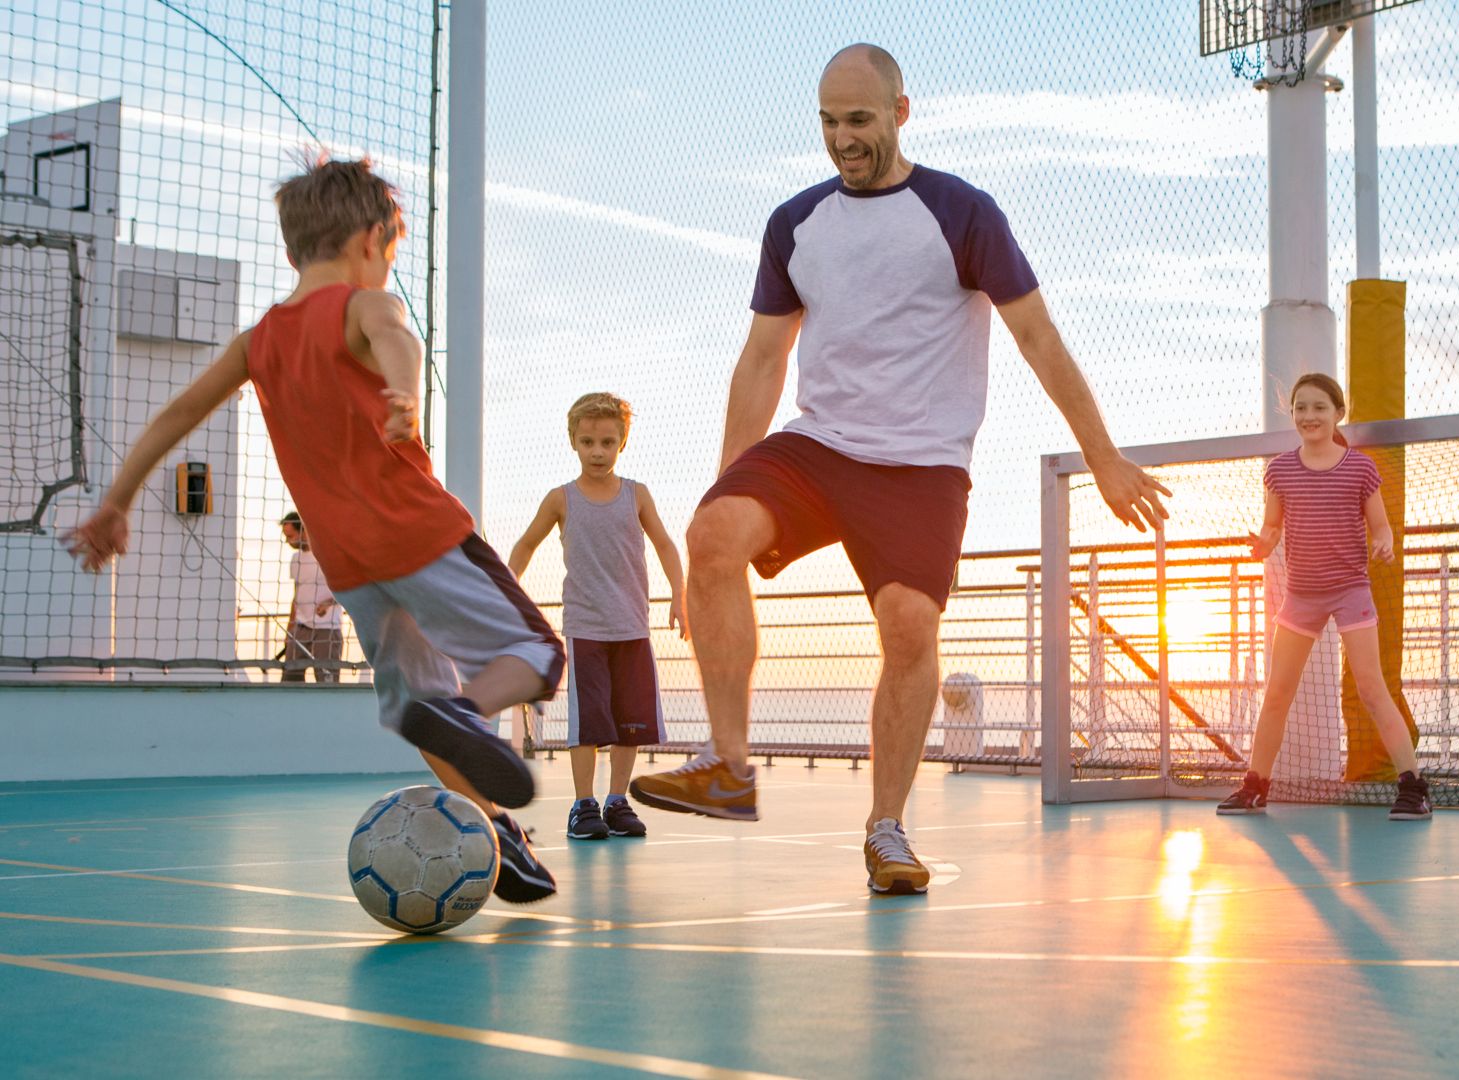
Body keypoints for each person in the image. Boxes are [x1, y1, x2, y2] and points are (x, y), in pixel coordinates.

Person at [630, 43, 1170, 894]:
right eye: (828, 122)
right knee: (713, 531)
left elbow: (1037, 337)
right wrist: (726, 498)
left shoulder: (961, 213)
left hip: (921, 462)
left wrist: (1104, 460)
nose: (843, 139)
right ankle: (729, 765)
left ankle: (886, 829)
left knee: (910, 628)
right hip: (821, 445)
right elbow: (762, 359)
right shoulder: (796, 224)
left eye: (859, 120)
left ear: (899, 113)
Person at [65, 155, 567, 898]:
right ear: (372, 239)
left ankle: (494, 829)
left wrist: (117, 501)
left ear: (293, 246)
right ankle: (468, 716)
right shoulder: (362, 307)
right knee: (536, 652)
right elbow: (398, 332)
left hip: (351, 567)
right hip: (420, 533)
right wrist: (403, 390)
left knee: (416, 704)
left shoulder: (258, 341)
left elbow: (175, 413)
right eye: (391, 253)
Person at [1215, 374, 1432, 821]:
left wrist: (1385, 542)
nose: (1309, 416)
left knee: (1372, 688)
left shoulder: (1359, 468)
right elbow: (1273, 527)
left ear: (1338, 413)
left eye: (1318, 407)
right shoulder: (1279, 470)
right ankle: (1255, 785)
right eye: (1300, 408)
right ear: (1292, 414)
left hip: (1351, 589)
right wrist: (1263, 544)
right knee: (1277, 692)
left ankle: (1413, 787)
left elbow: (1381, 525)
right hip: (1301, 595)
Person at [508, 391, 688, 841]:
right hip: (585, 628)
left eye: (607, 442)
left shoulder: (637, 495)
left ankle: (617, 801)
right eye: (588, 442)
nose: (597, 451)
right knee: (588, 723)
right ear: (573, 441)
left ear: (622, 443)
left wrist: (679, 594)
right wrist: (507, 591)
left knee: (630, 723)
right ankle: (583, 804)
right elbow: (526, 544)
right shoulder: (561, 499)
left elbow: (666, 544)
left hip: (631, 626)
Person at [279, 510, 344, 682]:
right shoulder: (295, 559)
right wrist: (290, 628)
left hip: (327, 629)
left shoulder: (328, 555)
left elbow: (349, 586)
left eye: (290, 536)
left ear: (303, 531)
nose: (288, 541)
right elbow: (296, 595)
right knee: (289, 679)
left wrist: (329, 603)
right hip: (300, 628)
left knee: (327, 680)